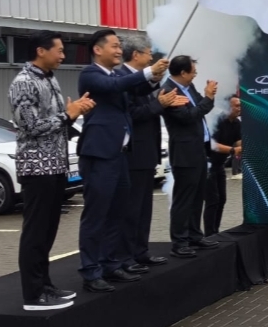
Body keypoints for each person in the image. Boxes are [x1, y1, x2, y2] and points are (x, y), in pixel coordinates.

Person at [76, 29, 168, 292]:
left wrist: (155, 75)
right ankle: (91, 271)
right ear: (98, 49)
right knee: (97, 215)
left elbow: (134, 87)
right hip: (99, 155)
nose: (119, 51)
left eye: (120, 46)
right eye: (115, 46)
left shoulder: (116, 75)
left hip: (120, 155)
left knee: (117, 213)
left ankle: (111, 264)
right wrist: (148, 72)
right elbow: (115, 87)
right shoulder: (91, 74)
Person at [9, 31, 95, 311]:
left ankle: (44, 285)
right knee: (35, 232)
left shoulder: (50, 79)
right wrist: (68, 114)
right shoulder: (24, 82)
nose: (63, 56)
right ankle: (33, 295)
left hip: (56, 165)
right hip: (37, 167)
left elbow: (56, 122)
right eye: (59, 50)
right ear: (40, 51)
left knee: (47, 231)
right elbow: (30, 126)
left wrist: (74, 113)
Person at [121, 37, 188, 271]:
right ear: (136, 54)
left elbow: (147, 96)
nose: (151, 58)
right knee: (132, 209)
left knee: (144, 207)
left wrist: (156, 84)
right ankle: (127, 256)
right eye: (148, 53)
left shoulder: (142, 79)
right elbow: (133, 113)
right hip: (133, 152)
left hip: (147, 151)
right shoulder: (121, 78)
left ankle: (141, 251)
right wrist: (160, 104)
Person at [162, 55, 218, 258]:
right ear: (183, 72)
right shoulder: (169, 91)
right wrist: (208, 97)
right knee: (183, 198)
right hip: (184, 152)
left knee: (197, 195)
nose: (195, 75)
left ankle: (195, 235)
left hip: (199, 148)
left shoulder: (189, 87)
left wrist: (207, 98)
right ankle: (179, 242)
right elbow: (188, 116)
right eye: (193, 71)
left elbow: (200, 109)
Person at [205, 95, 242, 237]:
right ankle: (209, 234)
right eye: (236, 106)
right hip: (208, 165)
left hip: (219, 165)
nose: (239, 108)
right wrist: (232, 150)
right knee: (212, 200)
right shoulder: (218, 121)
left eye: (240, 105)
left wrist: (245, 146)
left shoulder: (236, 123)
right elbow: (213, 145)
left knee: (222, 199)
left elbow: (238, 141)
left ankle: (215, 231)